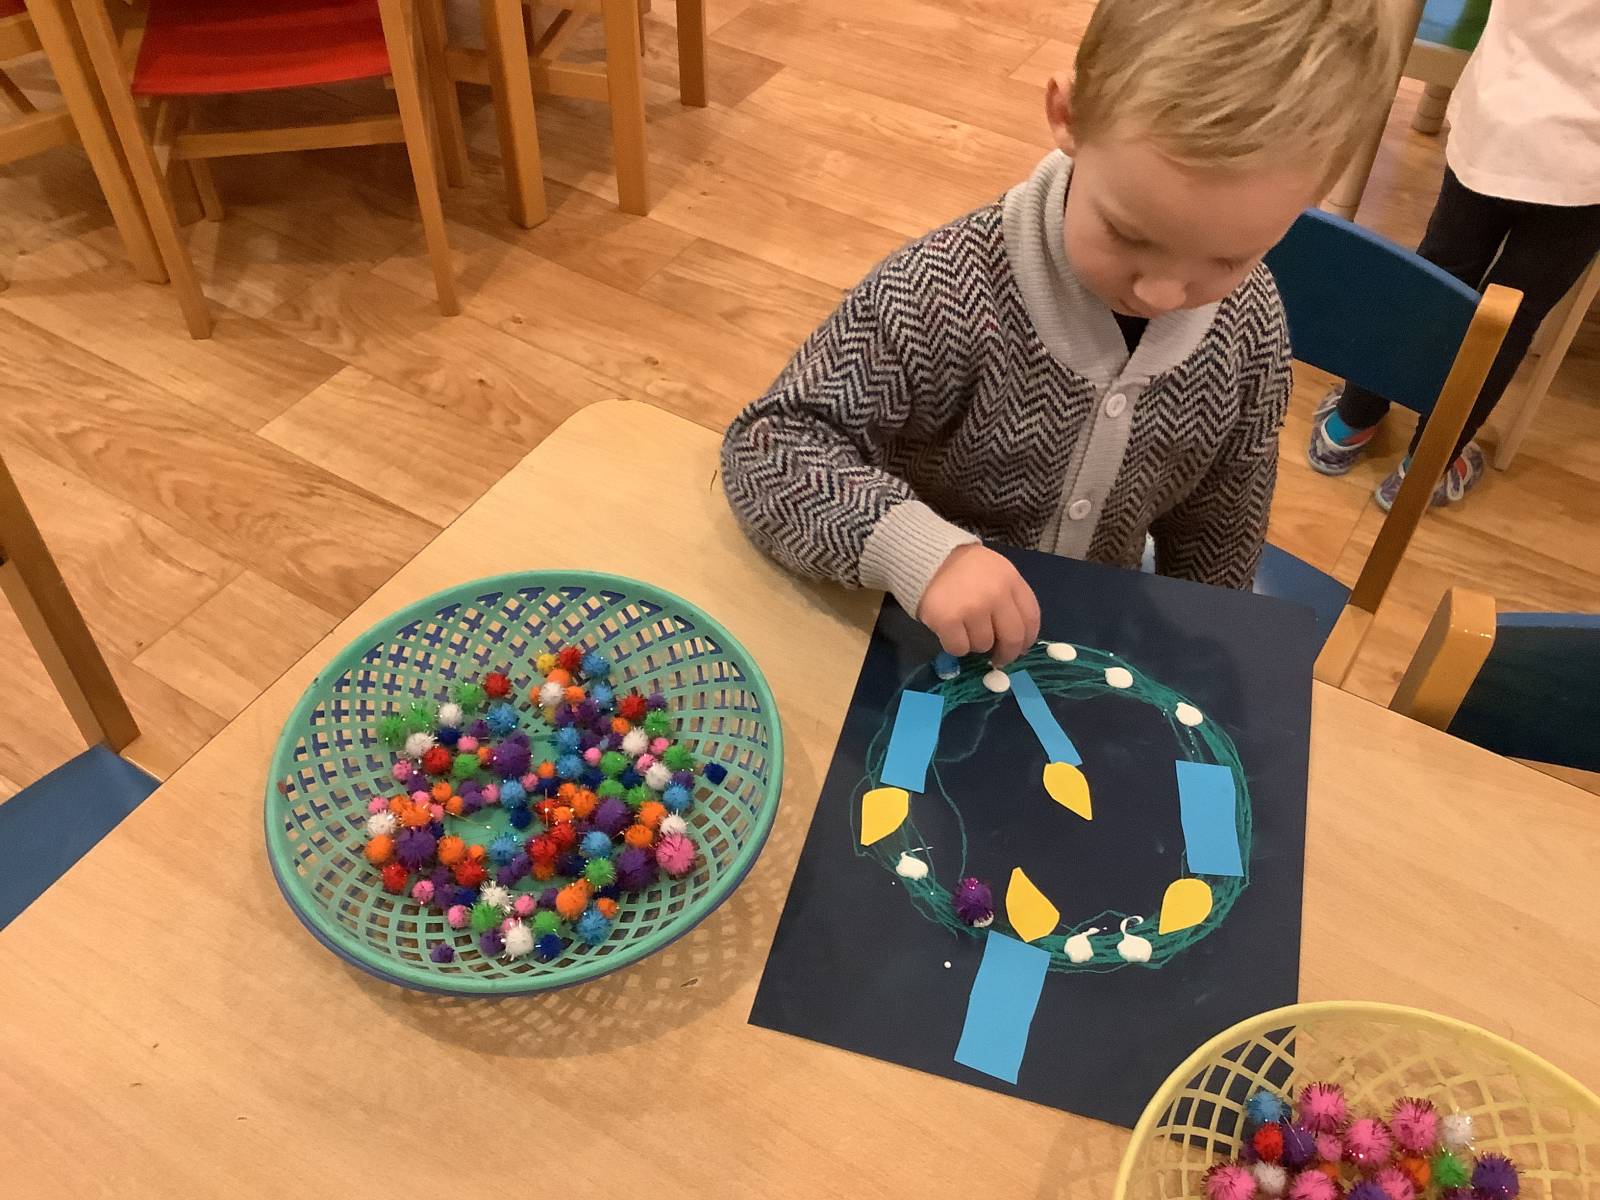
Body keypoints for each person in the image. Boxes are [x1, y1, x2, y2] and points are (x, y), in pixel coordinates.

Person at [720, 0, 1399, 666]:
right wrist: (919, 552)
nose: (1162, 294)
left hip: (1089, 643)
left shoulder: (1249, 329)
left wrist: (1200, 652)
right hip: (909, 631)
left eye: (1228, 259)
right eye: (1129, 234)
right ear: (1067, 116)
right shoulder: (941, 291)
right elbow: (768, 447)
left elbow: (1221, 525)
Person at [1308, 2, 1600, 508]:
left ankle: (1350, 421)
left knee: (1434, 276)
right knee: (1509, 318)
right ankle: (1426, 466)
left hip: (1497, 115)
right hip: (1585, 169)